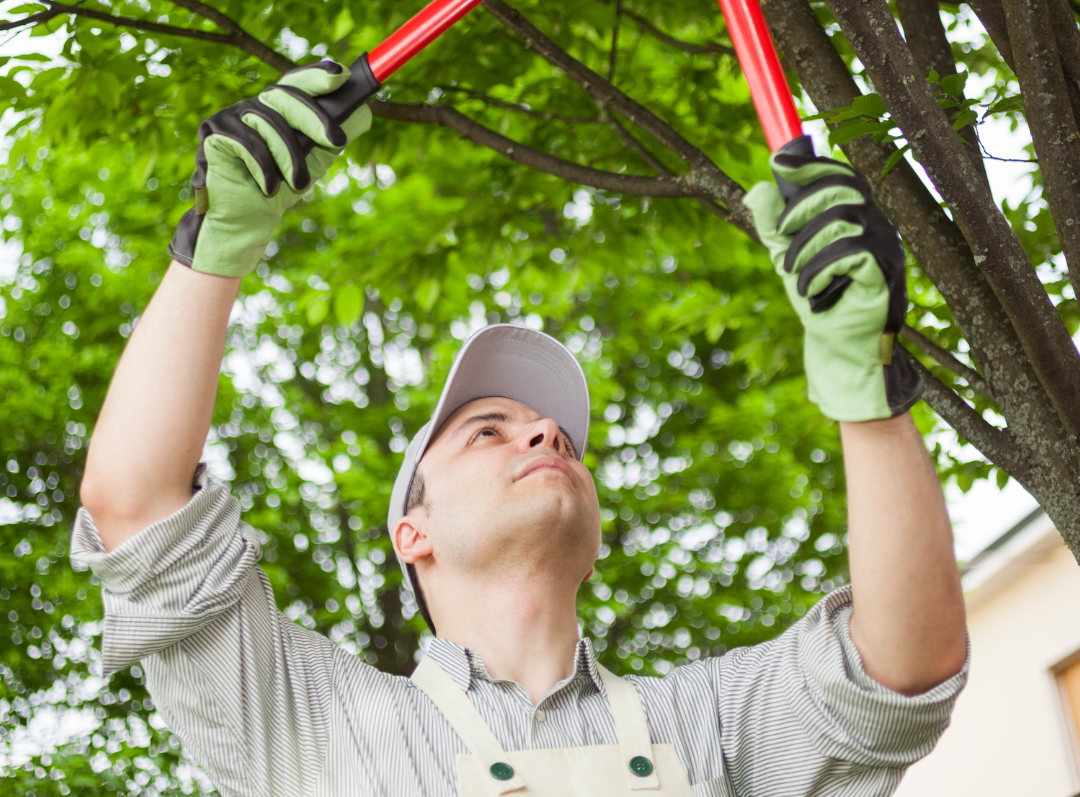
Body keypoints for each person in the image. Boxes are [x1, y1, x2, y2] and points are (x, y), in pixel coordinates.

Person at [73, 60, 968, 797]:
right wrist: (216, 246)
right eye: (488, 431)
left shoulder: (712, 722)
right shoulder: (317, 725)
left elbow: (904, 667)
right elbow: (137, 507)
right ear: (409, 532)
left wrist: (867, 386)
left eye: (561, 441)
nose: (544, 436)